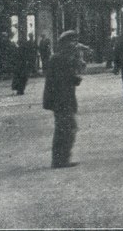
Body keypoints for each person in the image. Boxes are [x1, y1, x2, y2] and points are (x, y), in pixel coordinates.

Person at [42, 30, 83, 168]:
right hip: (62, 100)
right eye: (72, 42)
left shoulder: (59, 58)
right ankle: (60, 160)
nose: (74, 45)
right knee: (66, 128)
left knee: (66, 128)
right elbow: (70, 79)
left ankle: (61, 159)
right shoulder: (61, 59)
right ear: (65, 44)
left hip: (61, 99)